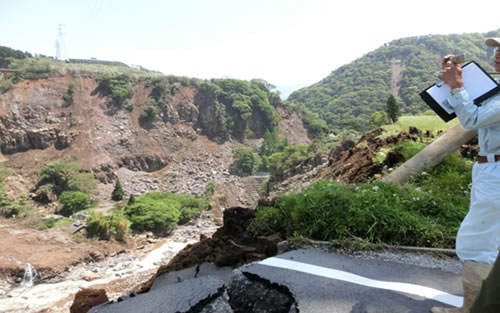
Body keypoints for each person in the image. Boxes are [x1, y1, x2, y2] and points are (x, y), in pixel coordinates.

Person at [431, 37, 500, 313]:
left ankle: (472, 311)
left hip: (495, 172)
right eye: (496, 49)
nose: (496, 55)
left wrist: (457, 85)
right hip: (491, 168)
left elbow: (471, 119)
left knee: (476, 244)